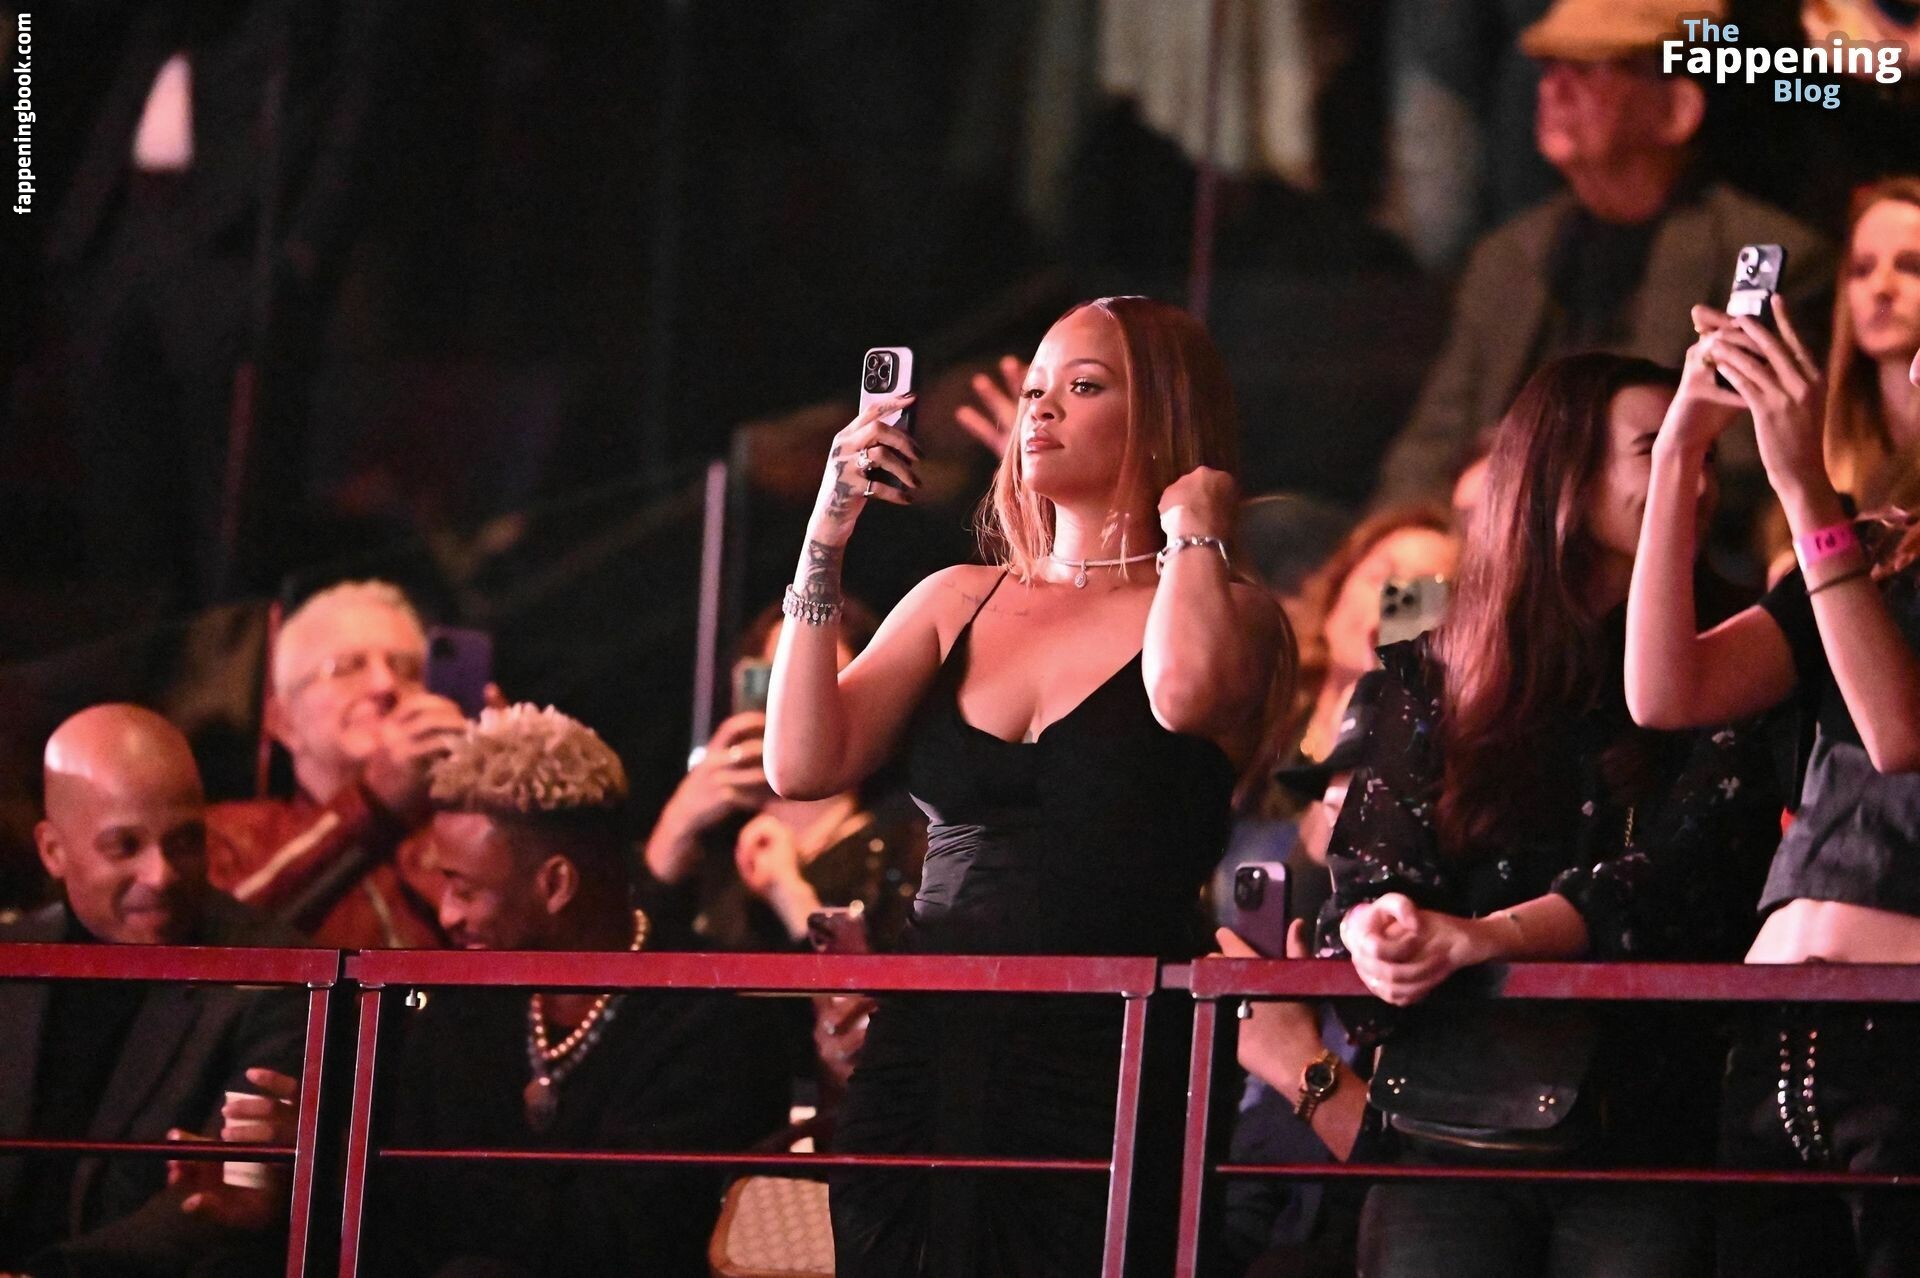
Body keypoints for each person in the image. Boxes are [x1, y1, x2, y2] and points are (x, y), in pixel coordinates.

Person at [764, 295, 1289, 1276]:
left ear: (1164, 414)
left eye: (1083, 387)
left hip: (1110, 1049)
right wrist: (824, 537)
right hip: (930, 1047)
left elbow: (1184, 695)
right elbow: (799, 765)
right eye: (1034, 390)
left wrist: (1193, 527)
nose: (1040, 409)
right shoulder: (957, 596)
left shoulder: (1236, 612)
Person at [1319, 352, 1785, 1277]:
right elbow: (1368, 866)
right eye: (1658, 448)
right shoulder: (1430, 639)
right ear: (1560, 469)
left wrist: (1491, 936)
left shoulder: (1743, 637)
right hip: (1451, 1117)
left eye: (1704, 454)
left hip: (1651, 1119)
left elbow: (1692, 868)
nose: (1692, 480)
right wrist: (1383, 926)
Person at [1626, 296, 1920, 1276]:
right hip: (1773, 1026)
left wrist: (1804, 491)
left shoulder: (1842, 540)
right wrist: (1680, 453)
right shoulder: (1878, 549)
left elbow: (1898, 732)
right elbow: (1667, 689)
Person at [1372, 0, 1832, 516]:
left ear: (1676, 109)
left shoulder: (1763, 259)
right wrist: (1401, 531)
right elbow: (1432, 443)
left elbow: (1744, 471)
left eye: (1591, 68)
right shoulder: (1509, 257)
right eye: (1550, 67)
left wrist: (1535, 486)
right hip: (1486, 535)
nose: (1553, 88)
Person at [371, 704, 785, 1278]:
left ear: (556, 884)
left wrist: (445, 1200)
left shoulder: (708, 1017)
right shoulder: (463, 1006)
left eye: (464, 889)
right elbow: (399, 1216)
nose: (448, 915)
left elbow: (632, 1239)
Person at [1, 705, 306, 1277]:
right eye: (125, 846)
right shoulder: (11, 959)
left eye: (184, 842)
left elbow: (220, 1200)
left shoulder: (269, 975)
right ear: (52, 850)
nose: (161, 874)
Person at [639, 597, 923, 954]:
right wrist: (677, 823)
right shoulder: (715, 847)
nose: (794, 704)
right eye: (775, 680)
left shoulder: (904, 848)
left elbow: (869, 989)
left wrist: (791, 896)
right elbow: (627, 963)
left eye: (818, 682)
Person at [207, 580, 465, 948]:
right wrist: (373, 804)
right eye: (347, 667)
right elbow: (220, 941)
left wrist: (504, 808)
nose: (385, 684)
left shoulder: (454, 828)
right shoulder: (230, 835)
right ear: (283, 721)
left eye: (407, 668)